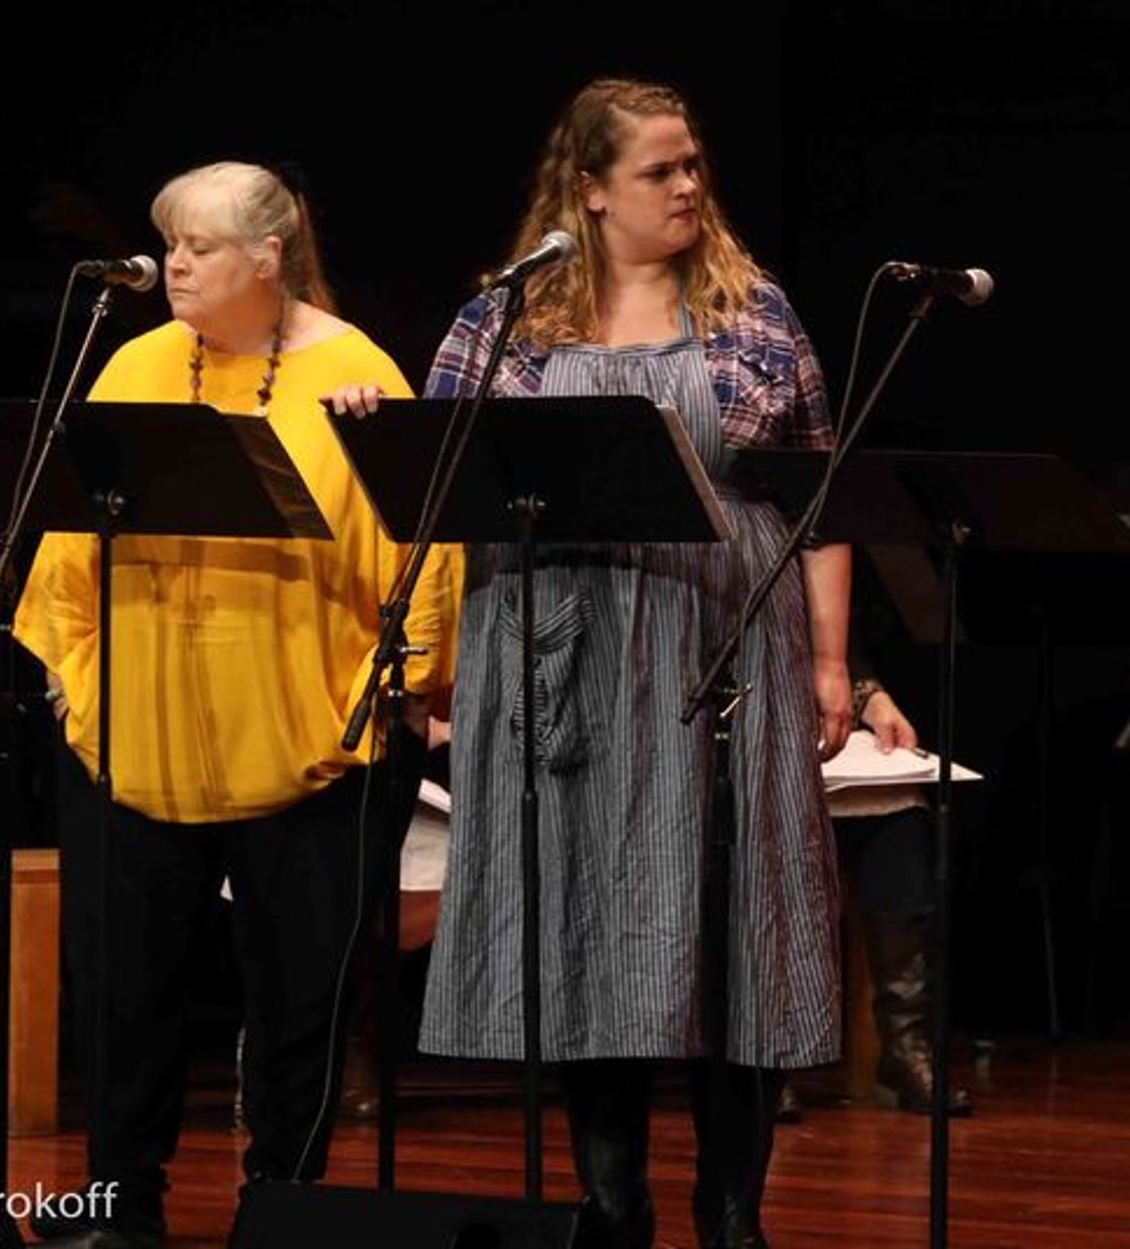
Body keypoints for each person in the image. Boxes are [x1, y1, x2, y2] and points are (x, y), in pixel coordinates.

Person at [333, 77, 850, 1249]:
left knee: (733, 924)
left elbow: (820, 503)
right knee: (579, 921)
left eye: (690, 164)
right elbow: (436, 479)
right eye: (659, 169)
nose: (686, 186)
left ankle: (732, 1216)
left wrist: (828, 662)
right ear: (588, 191)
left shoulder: (752, 313)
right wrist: (377, 418)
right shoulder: (504, 322)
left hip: (715, 641)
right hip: (558, 650)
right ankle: (612, 1208)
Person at [12, 161, 456, 1249]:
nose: (173, 264)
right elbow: (70, 537)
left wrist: (392, 691)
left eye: (199, 246)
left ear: (269, 256)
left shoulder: (356, 373)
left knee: (299, 996)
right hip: (140, 729)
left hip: (307, 738)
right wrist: (71, 671)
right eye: (168, 241)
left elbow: (420, 551)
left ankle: (283, 1203)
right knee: (124, 987)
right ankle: (122, 1203)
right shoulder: (131, 363)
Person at [775, 671, 974, 1120]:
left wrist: (870, 695)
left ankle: (904, 1046)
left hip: (833, 735)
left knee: (902, 813)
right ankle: (767, 1057)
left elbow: (847, 643)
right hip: (759, 725)